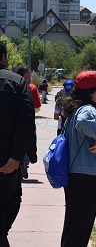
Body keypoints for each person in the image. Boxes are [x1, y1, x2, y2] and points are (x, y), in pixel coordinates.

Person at [60, 70, 96, 247]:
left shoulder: (79, 107)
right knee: (81, 224)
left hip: (80, 174)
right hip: (84, 175)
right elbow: (84, 123)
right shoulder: (87, 109)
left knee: (75, 222)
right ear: (90, 92)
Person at [0, 41, 35, 247]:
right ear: (4, 57)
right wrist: (16, 157)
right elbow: (26, 122)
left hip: (8, 162)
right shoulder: (17, 82)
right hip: (7, 163)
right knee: (10, 203)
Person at [15, 64, 40, 179]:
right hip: (29, 117)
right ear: (25, 75)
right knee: (29, 136)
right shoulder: (32, 87)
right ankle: (26, 159)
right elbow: (37, 104)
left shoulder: (12, 84)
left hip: (13, 118)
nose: (31, 75)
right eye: (29, 73)